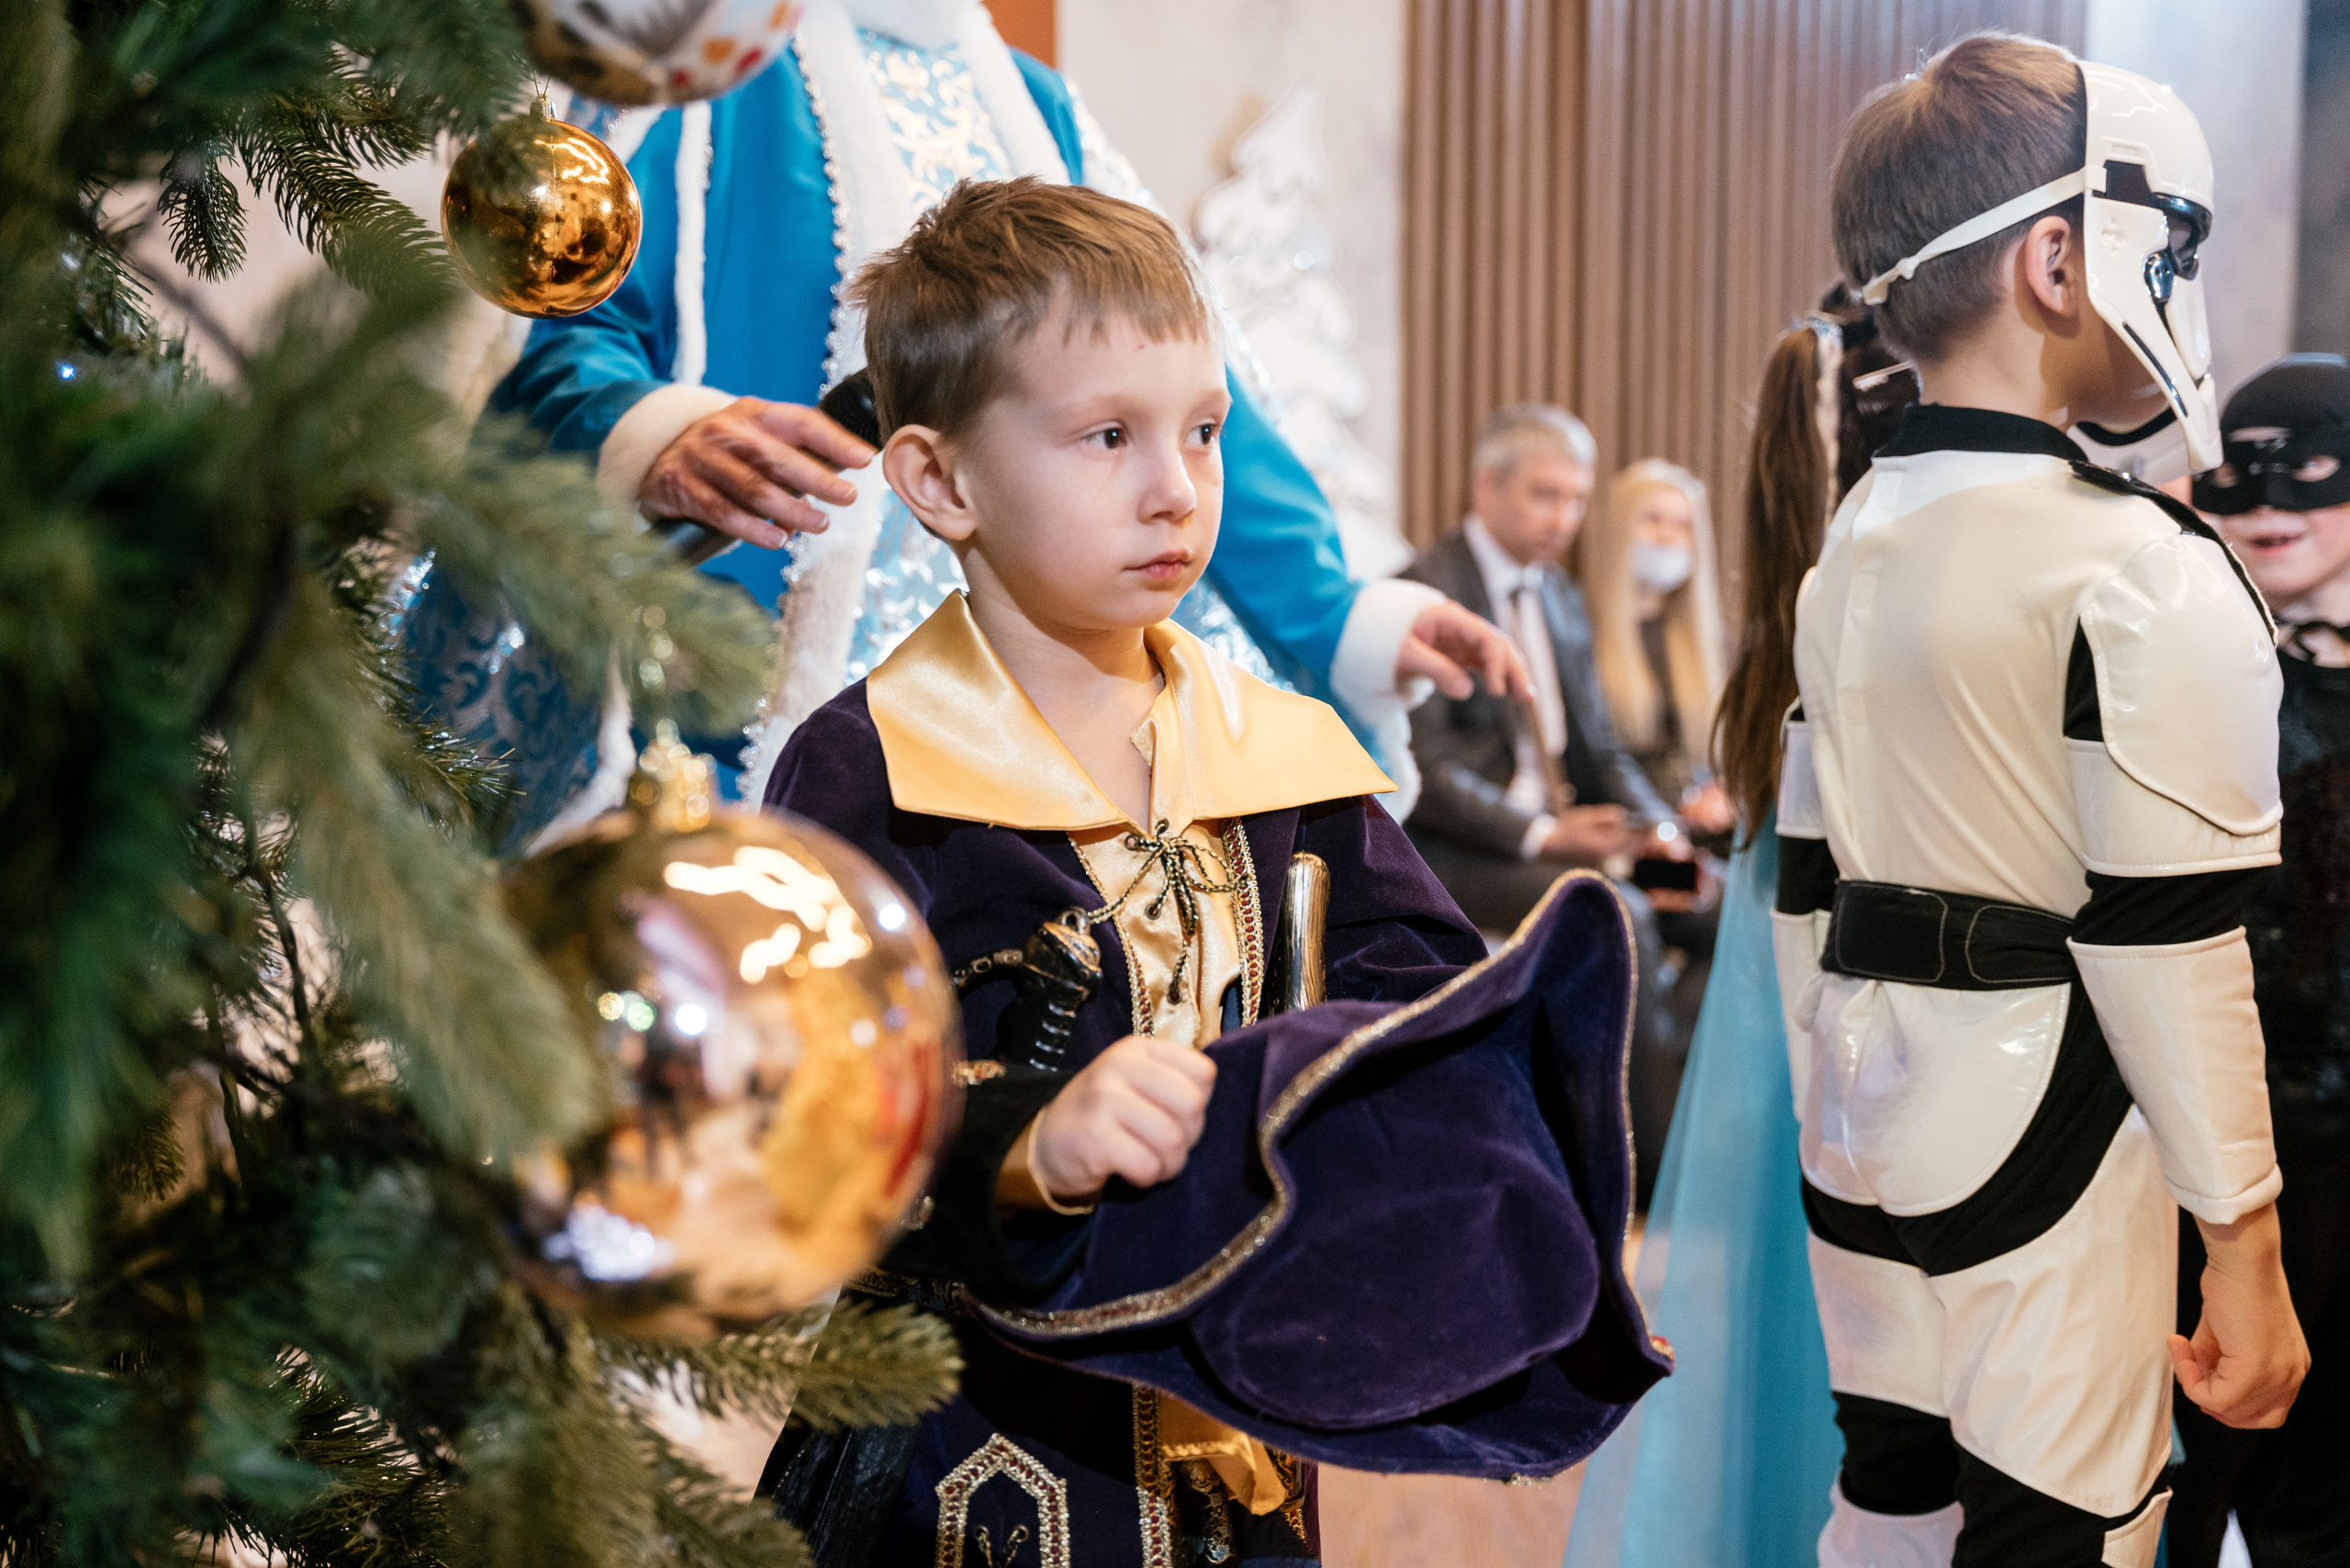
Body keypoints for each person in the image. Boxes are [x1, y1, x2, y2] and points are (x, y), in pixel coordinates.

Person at [756, 177, 1668, 1568]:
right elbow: (810, 1105)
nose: (1175, 488)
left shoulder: (1282, 759)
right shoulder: (865, 769)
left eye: (1203, 430)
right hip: (961, 1463)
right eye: (1108, 435)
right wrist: (1029, 1140)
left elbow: (1416, 1016)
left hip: (1241, 1462)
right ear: (939, 480)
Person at [400, 0, 1514, 849]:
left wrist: (1342, 610)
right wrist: (661, 431)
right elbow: (548, 329)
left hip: (1038, 701)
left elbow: (1191, 388)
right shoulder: (706, 79)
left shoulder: (1036, 103)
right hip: (760, 699)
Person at [1775, 33, 2308, 1566]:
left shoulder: (1851, 541)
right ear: (2061, 258)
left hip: (1863, 1121)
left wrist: (1839, 1106)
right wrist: (2247, 1246)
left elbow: (1802, 901)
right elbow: (2167, 938)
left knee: (1884, 1511)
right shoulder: (2136, 562)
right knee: (2074, 1534)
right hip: (2048, 1130)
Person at [1562, 294, 1919, 1568]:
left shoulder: (1784, 630)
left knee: (1790, 1310)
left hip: (1785, 1028)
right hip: (1875, 1031)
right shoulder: (1876, 639)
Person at [1399, 403, 1697, 1201]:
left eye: (1575, 499)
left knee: (1705, 898)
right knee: (1623, 913)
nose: (1564, 518)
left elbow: (1600, 753)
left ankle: (1693, 1137)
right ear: (1486, 486)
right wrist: (1544, 834)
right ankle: (1648, 1179)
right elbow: (1426, 774)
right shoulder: (1424, 593)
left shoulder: (1560, 596)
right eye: (1544, 495)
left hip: (1567, 835)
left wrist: (1660, 830)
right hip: (1469, 853)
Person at [2165, 354, 2350, 1568]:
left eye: (2309, 462)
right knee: (2166, 1487)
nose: (2267, 490)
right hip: (2207, 1146)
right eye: (2239, 463)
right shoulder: (2185, 654)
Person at [1576, 459, 1731, 834]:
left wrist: (1726, 792)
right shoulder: (1578, 629)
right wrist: (1662, 827)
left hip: (1702, 828)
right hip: (1626, 826)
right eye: (1652, 520)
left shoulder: (1712, 643)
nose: (1666, 537)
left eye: (1682, 526)